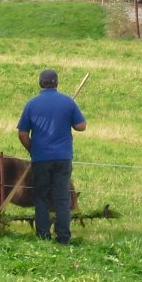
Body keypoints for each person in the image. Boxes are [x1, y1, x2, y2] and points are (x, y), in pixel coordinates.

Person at [17, 68, 86, 244]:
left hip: (40, 158)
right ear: (57, 83)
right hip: (63, 158)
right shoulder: (68, 103)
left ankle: (43, 235)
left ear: (40, 83)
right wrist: (68, 117)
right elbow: (81, 126)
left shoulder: (31, 104)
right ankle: (63, 237)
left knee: (41, 197)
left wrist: (32, 149)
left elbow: (23, 134)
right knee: (62, 198)